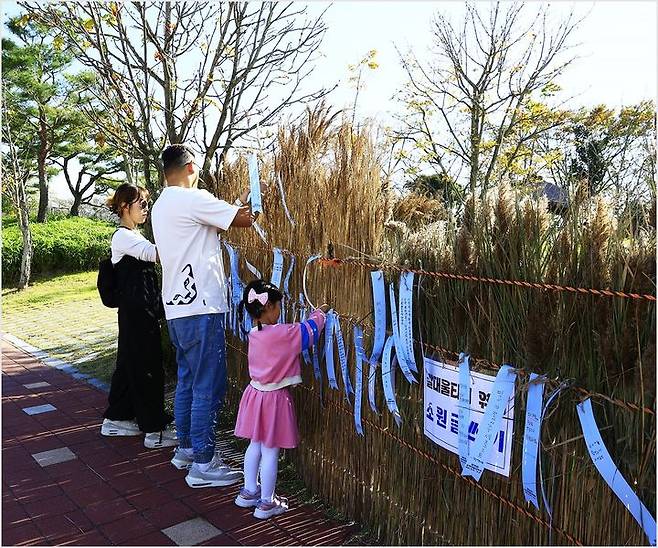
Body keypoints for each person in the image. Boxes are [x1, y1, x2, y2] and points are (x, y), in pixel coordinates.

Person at [152, 144, 256, 488]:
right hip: (202, 307)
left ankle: (185, 450)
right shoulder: (190, 198)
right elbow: (243, 219)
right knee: (207, 385)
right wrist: (257, 199)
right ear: (191, 166)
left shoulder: (160, 205)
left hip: (177, 309)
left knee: (187, 380)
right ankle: (204, 463)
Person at [233, 279, 329, 519]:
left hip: (255, 395)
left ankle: (249, 491)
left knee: (254, 445)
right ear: (268, 308)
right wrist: (320, 313)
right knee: (271, 450)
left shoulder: (255, 333)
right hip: (274, 400)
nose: (280, 311)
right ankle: (267, 502)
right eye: (277, 306)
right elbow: (309, 333)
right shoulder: (283, 334)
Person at [101, 183, 176, 449]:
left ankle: (117, 419)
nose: (146, 209)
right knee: (147, 368)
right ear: (124, 207)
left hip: (138, 311)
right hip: (137, 313)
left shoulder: (133, 234)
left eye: (147, 203)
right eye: (141, 204)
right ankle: (153, 430)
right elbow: (156, 254)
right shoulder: (123, 236)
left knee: (129, 364)